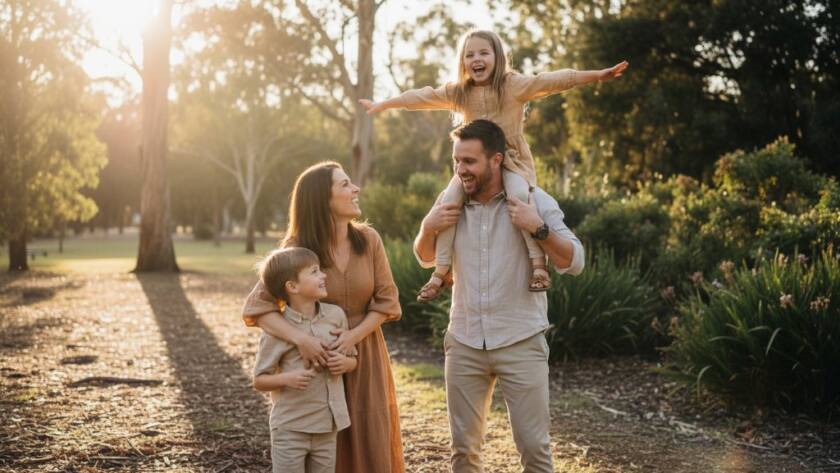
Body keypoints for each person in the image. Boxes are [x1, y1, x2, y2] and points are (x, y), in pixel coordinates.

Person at [360, 29, 625, 301]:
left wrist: (597, 75)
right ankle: (440, 271)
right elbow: (422, 96)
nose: (477, 59)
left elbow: (553, 80)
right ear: (463, 62)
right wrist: (384, 104)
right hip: (477, 166)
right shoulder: (460, 92)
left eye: (483, 53)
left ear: (497, 58)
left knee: (520, 197)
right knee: (448, 203)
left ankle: (538, 266)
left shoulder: (513, 85)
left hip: (511, 163)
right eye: (469, 54)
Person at [413, 119, 585, 473]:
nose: (461, 170)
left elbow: (575, 261)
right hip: (463, 341)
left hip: (521, 340)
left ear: (496, 160)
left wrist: (538, 228)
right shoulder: (450, 202)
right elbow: (425, 256)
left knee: (535, 451)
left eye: (470, 162)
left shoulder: (534, 200)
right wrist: (428, 226)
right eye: (457, 161)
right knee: (463, 451)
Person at [241, 162, 404, 473]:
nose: (355, 189)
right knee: (327, 449)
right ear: (321, 199)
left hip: (364, 355)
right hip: (315, 366)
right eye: (344, 185)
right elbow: (258, 308)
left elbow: (387, 302)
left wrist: (352, 338)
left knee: (371, 437)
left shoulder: (369, 240)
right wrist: (302, 340)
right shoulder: (296, 250)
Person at [252, 247, 357, 473]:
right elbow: (259, 380)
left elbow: (352, 360)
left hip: (327, 427)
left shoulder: (335, 316)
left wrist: (344, 363)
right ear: (292, 286)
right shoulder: (277, 330)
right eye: (314, 272)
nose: (324, 276)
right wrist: (288, 378)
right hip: (290, 429)